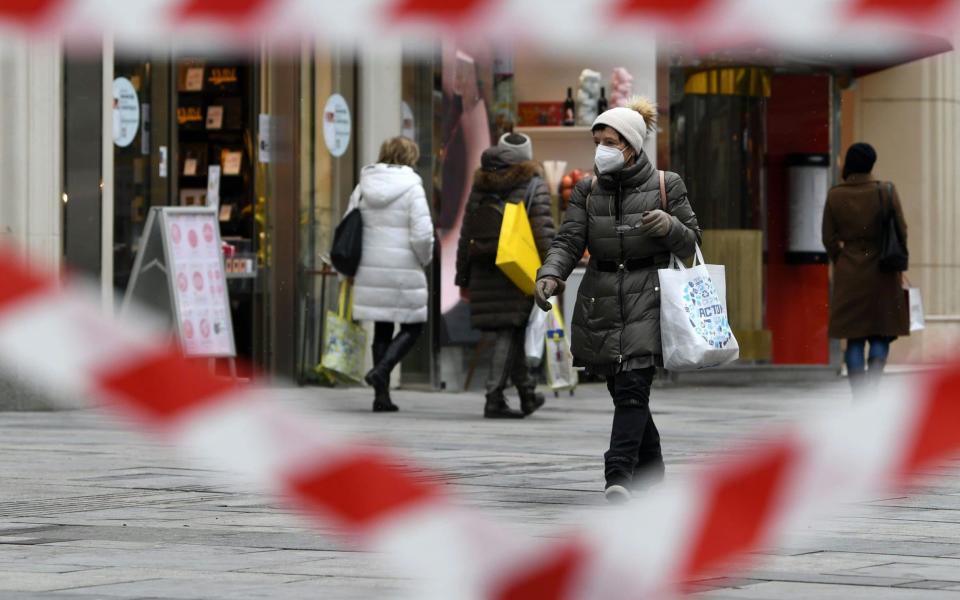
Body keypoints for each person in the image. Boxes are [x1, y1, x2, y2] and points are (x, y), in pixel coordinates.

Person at [533, 98, 701, 503]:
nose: (601, 150)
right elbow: (570, 238)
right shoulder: (588, 190)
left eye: (610, 141)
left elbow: (693, 242)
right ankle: (651, 470)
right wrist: (551, 273)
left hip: (649, 293)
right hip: (601, 296)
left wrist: (670, 225)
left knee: (632, 388)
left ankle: (618, 475)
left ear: (631, 145)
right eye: (597, 141)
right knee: (621, 389)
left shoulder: (667, 183)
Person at [455, 133, 556, 418]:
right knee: (508, 331)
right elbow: (543, 231)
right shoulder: (533, 184)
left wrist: (462, 275)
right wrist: (553, 269)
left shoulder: (480, 184)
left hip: (482, 267)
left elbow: (466, 232)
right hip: (515, 268)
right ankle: (494, 396)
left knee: (512, 329)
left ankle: (526, 394)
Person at [345, 136, 434, 413]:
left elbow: (349, 225)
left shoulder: (363, 187)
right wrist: (424, 259)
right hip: (404, 266)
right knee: (413, 326)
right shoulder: (412, 188)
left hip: (370, 267)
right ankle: (382, 370)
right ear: (410, 157)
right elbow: (422, 234)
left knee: (382, 327)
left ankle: (380, 396)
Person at [822, 142, 909, 400]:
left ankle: (859, 395)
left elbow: (827, 238)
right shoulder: (886, 191)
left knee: (854, 337)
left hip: (849, 273)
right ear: (872, 163)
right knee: (881, 331)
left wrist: (842, 258)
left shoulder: (835, 195)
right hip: (883, 270)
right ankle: (872, 387)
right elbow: (901, 231)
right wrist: (898, 264)